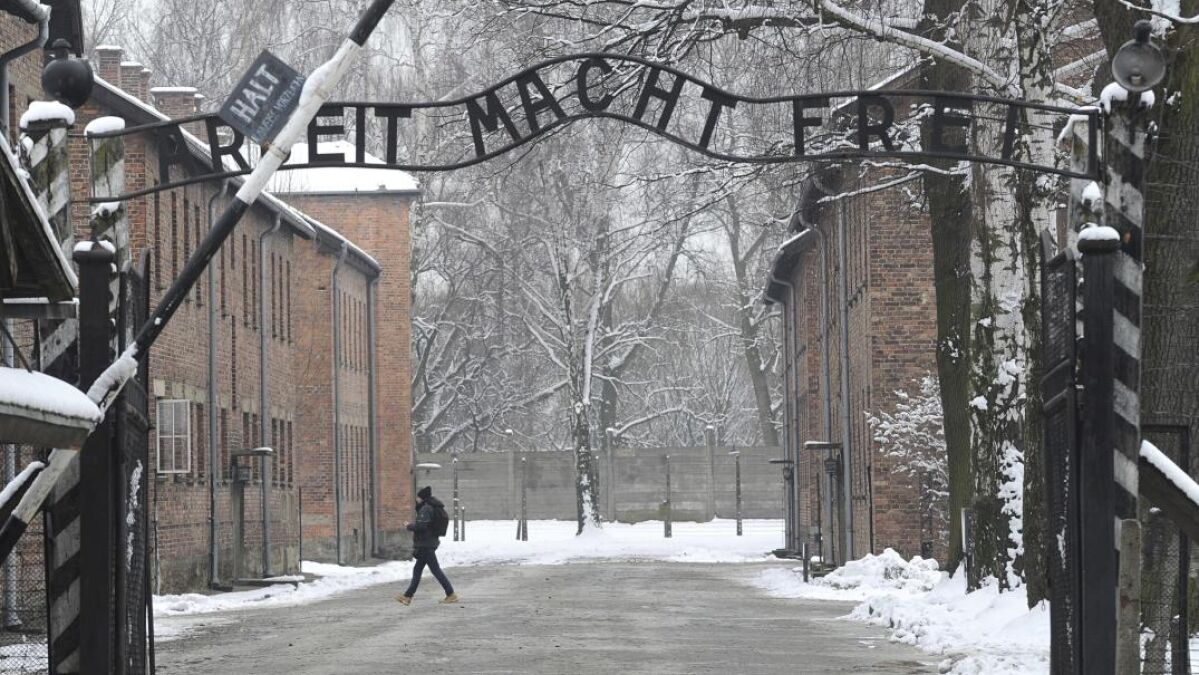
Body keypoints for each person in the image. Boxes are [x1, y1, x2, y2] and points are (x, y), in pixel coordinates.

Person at [396, 486, 458, 605]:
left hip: (425, 544)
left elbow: (422, 526)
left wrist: (409, 526)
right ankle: (407, 596)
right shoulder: (432, 507)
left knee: (435, 570)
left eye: (418, 497)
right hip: (429, 542)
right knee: (418, 570)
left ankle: (451, 594)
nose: (416, 499)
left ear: (422, 498)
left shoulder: (426, 509)